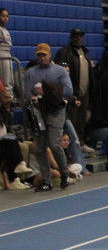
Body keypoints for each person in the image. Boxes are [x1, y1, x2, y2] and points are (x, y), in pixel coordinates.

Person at [22, 44, 73, 191]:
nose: (42, 58)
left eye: (44, 55)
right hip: (39, 112)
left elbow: (68, 90)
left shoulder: (59, 71)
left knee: (54, 143)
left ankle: (64, 173)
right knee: (40, 148)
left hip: (55, 111)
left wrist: (47, 90)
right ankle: (46, 180)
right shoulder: (31, 73)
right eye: (39, 55)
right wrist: (32, 98)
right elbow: (27, 92)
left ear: (50, 54)